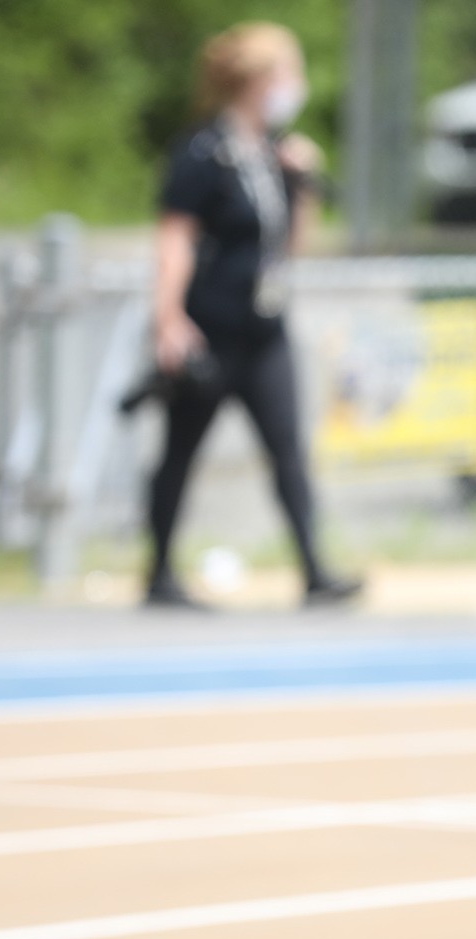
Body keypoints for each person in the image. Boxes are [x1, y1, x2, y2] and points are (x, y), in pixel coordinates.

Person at [145, 22, 359, 609]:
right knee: (181, 450)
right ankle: (159, 571)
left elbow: (291, 246)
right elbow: (175, 241)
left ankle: (315, 569)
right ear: (259, 81)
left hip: (265, 329)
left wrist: (305, 184)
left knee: (287, 446)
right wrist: (167, 319)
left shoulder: (272, 155)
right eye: (287, 75)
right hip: (211, 327)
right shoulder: (202, 152)